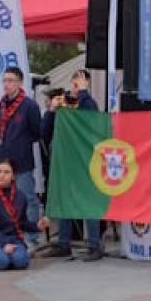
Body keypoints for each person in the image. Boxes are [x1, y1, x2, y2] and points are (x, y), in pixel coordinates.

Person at [40, 77, 104, 261]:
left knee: (89, 203)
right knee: (64, 201)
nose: (75, 87)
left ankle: (94, 244)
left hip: (84, 161)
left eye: (80, 84)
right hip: (63, 161)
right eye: (74, 83)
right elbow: (44, 132)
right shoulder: (61, 102)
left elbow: (93, 119)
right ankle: (63, 243)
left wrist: (83, 93)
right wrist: (51, 111)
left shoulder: (88, 103)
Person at [0, 67, 44, 250]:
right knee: (2, 198)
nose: (6, 84)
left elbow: (37, 131)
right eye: (4, 81)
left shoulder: (29, 106)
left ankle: (31, 237)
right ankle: (7, 235)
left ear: (20, 83)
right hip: (2, 159)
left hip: (21, 160)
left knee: (27, 197)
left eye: (11, 81)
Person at [0, 158, 50, 271]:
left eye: (6, 172)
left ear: (13, 175)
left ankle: (6, 259)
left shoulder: (20, 196)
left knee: (21, 262)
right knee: (0, 261)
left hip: (13, 239)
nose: (2, 175)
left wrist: (37, 226)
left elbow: (21, 223)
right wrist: (4, 243)